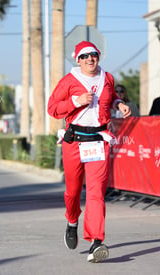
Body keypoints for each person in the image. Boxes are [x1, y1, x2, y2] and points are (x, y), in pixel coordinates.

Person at [47, 41, 131, 263]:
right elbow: (52, 108)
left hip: (98, 141)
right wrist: (75, 101)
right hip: (74, 140)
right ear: (78, 60)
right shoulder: (69, 81)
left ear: (98, 56)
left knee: (95, 194)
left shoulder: (108, 78)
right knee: (73, 192)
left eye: (93, 55)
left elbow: (111, 96)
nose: (90, 59)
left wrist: (119, 104)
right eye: (85, 56)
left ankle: (96, 241)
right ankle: (72, 220)